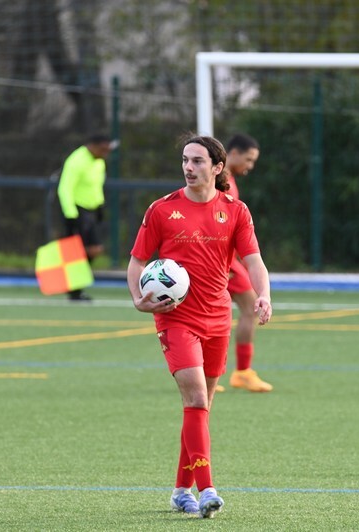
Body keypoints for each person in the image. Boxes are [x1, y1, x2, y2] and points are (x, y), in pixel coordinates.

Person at [126, 134, 272, 518]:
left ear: (217, 167)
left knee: (201, 408)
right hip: (176, 318)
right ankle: (207, 490)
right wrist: (138, 298)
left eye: (197, 161)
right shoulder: (162, 209)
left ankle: (180, 490)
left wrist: (263, 294)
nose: (188, 168)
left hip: (217, 318)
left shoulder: (235, 211)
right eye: (185, 160)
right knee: (194, 399)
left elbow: (253, 259)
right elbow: (137, 262)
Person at [214, 133, 274, 393]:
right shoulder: (221, 182)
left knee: (242, 308)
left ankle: (235, 372)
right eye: (248, 159)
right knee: (246, 307)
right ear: (234, 153)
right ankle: (238, 372)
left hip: (227, 259)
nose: (250, 166)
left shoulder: (228, 180)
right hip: (219, 260)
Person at [57, 134, 115, 301]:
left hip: (91, 211)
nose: (105, 154)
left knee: (93, 250)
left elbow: (96, 187)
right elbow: (65, 188)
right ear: (93, 146)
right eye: (103, 150)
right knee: (79, 251)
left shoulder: (99, 162)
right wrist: (70, 215)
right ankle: (74, 289)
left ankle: (75, 286)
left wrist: (100, 207)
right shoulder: (76, 161)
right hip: (77, 211)